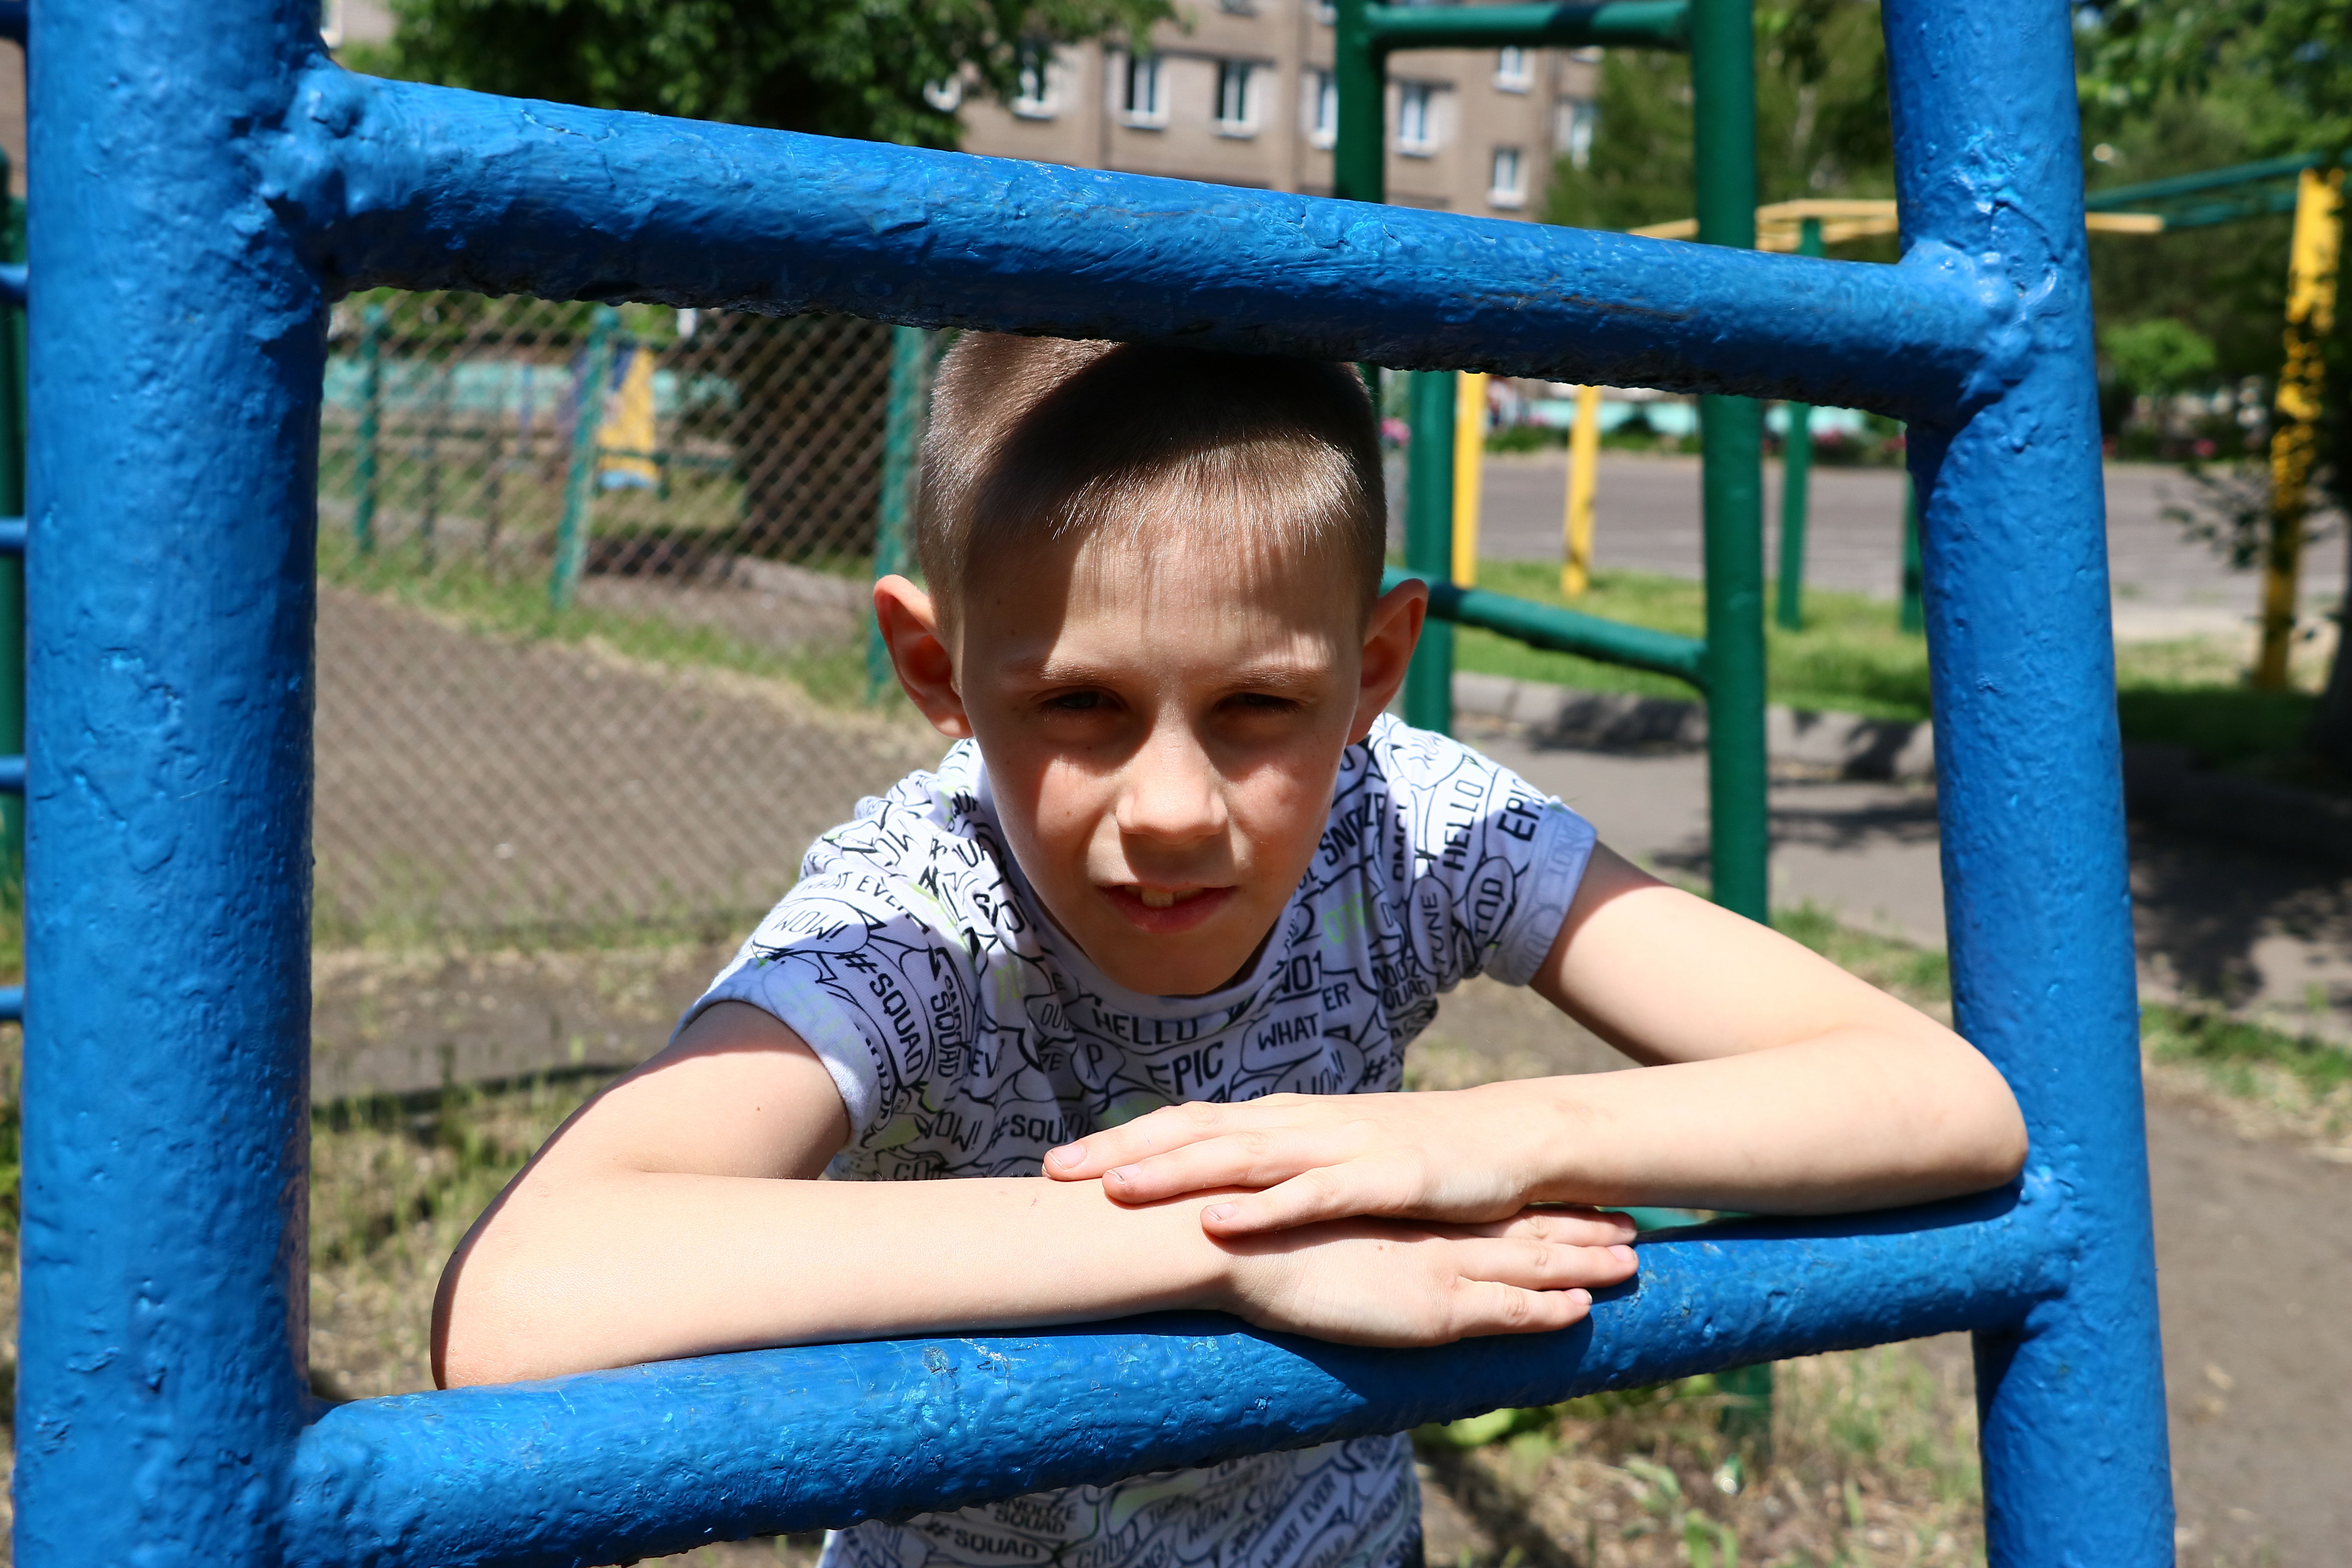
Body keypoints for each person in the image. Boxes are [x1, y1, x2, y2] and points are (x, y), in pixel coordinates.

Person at [432, 336, 2026, 1568]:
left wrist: (1477, 1140)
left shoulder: (1409, 827)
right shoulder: (921, 911)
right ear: (937, 666)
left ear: (1375, 666)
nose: (1175, 809)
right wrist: (1230, 1240)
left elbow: (1939, 1098)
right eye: (1080, 705)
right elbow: (526, 1300)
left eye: (1260, 706)